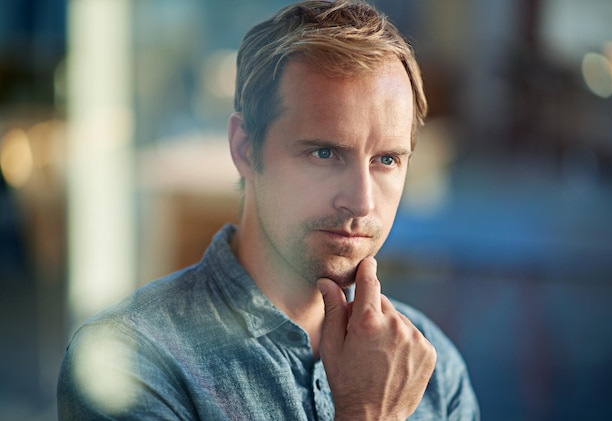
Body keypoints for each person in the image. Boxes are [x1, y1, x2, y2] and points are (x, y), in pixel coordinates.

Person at [57, 1, 479, 419]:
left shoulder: (428, 364)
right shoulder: (134, 362)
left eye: (386, 160)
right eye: (324, 153)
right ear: (245, 148)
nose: (362, 201)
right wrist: (368, 413)